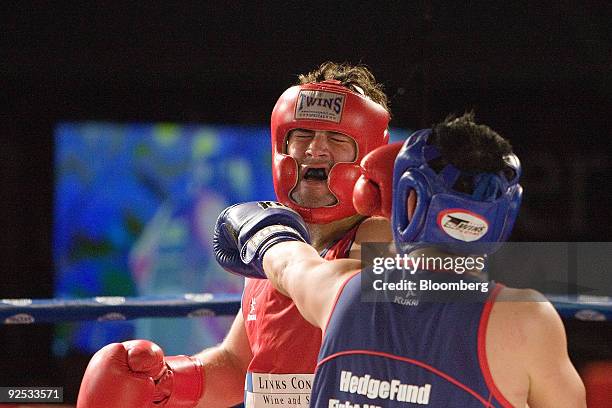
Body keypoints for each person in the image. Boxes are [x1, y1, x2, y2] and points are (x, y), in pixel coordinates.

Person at [76, 62, 393, 408]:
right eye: (302, 135)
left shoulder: (378, 237)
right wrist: (167, 382)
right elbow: (238, 365)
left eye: (336, 138)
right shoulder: (268, 240)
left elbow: (353, 306)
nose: (315, 150)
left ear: (366, 155)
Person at [214, 114, 586, 407]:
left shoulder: (339, 290)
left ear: (407, 200)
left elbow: (285, 261)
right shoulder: (526, 319)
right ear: (503, 215)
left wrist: (261, 230)